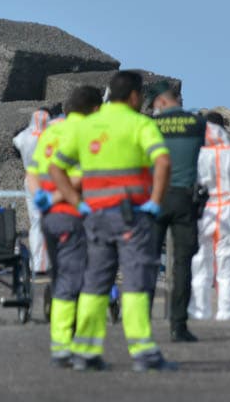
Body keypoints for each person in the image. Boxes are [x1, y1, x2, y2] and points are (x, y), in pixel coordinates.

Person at [49, 71, 175, 372]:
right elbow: (163, 161)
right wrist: (155, 202)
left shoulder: (87, 125)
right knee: (135, 281)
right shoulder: (140, 124)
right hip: (131, 215)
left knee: (95, 282)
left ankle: (84, 351)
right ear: (133, 96)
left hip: (95, 216)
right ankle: (143, 351)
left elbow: (57, 168)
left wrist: (78, 203)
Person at [32, 86, 102, 366]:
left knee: (61, 275)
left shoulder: (51, 131)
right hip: (74, 214)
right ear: (95, 109)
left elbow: (34, 173)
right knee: (78, 281)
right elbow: (83, 177)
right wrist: (59, 197)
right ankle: (69, 345)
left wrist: (43, 199)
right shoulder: (88, 134)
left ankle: (63, 341)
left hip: (50, 218)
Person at [148, 81, 207, 343]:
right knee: (182, 264)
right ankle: (178, 326)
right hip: (185, 197)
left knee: (147, 261)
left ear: (160, 101)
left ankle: (140, 320)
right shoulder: (196, 123)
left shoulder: (150, 126)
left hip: (156, 197)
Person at [190, 114, 230, 321]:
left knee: (200, 263)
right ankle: (227, 313)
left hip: (206, 210)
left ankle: (199, 311)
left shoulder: (197, 156)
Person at [14, 107, 56, 275]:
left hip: (29, 180)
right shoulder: (53, 135)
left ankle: (36, 263)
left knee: (35, 222)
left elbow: (15, 145)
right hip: (48, 180)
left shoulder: (23, 137)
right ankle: (45, 263)